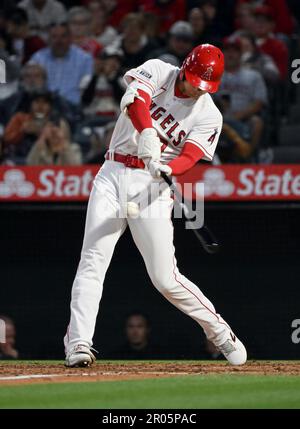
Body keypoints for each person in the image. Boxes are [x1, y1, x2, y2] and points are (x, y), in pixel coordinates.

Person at [64, 43, 247, 368]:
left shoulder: (209, 114)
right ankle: (78, 343)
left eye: (203, 85)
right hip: (112, 171)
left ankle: (219, 331)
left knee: (164, 277)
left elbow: (190, 155)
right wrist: (147, 132)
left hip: (151, 186)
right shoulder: (160, 70)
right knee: (92, 260)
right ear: (185, 69)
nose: (195, 89)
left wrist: (168, 169)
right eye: (193, 80)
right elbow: (134, 102)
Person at [219, 39, 267, 156]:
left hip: (244, 118)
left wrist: (239, 115)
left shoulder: (253, 75)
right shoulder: (214, 75)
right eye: (227, 51)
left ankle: (249, 156)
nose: (230, 54)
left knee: (257, 122)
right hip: (218, 118)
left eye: (234, 51)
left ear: (241, 54)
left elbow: (259, 102)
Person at [29, 23, 93, 106]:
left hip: (74, 107)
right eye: (54, 37)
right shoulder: (38, 58)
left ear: (70, 38)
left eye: (63, 36)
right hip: (46, 107)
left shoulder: (84, 58)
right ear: (48, 39)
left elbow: (86, 87)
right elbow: (30, 83)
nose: (59, 41)